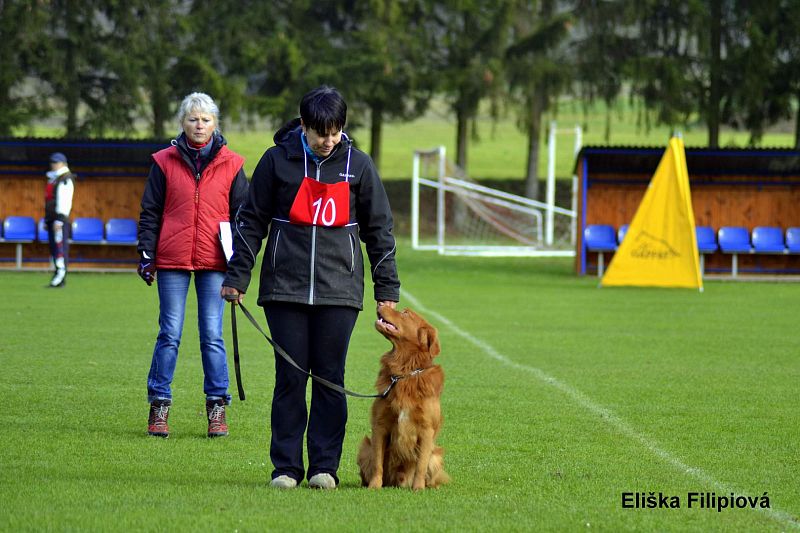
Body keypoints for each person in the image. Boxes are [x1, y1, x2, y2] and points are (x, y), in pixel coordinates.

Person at [221, 86, 400, 490]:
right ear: (303, 125)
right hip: (285, 289)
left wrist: (386, 290)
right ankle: (285, 468)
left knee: (329, 378)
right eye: (321, 132)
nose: (328, 141)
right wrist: (237, 276)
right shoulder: (276, 161)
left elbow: (380, 232)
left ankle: (324, 467)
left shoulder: (359, 165)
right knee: (290, 378)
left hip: (340, 291)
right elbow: (250, 221)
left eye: (335, 132)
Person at [137, 92, 249, 439]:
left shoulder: (232, 164)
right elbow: (150, 212)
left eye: (205, 120)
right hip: (171, 259)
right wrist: (146, 254)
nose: (199, 125)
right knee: (169, 333)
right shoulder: (163, 161)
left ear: (215, 124)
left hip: (215, 261)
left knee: (211, 336)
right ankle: (159, 405)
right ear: (182, 123)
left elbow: (244, 219)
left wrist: (239, 271)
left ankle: (217, 406)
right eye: (192, 119)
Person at [44, 152, 75, 288]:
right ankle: (57, 274)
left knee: (59, 248)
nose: (53, 165)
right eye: (52, 162)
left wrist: (59, 220)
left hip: (59, 220)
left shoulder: (65, 179)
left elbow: (64, 201)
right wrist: (48, 219)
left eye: (56, 162)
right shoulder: (54, 178)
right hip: (53, 219)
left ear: (63, 163)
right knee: (54, 248)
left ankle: (60, 276)